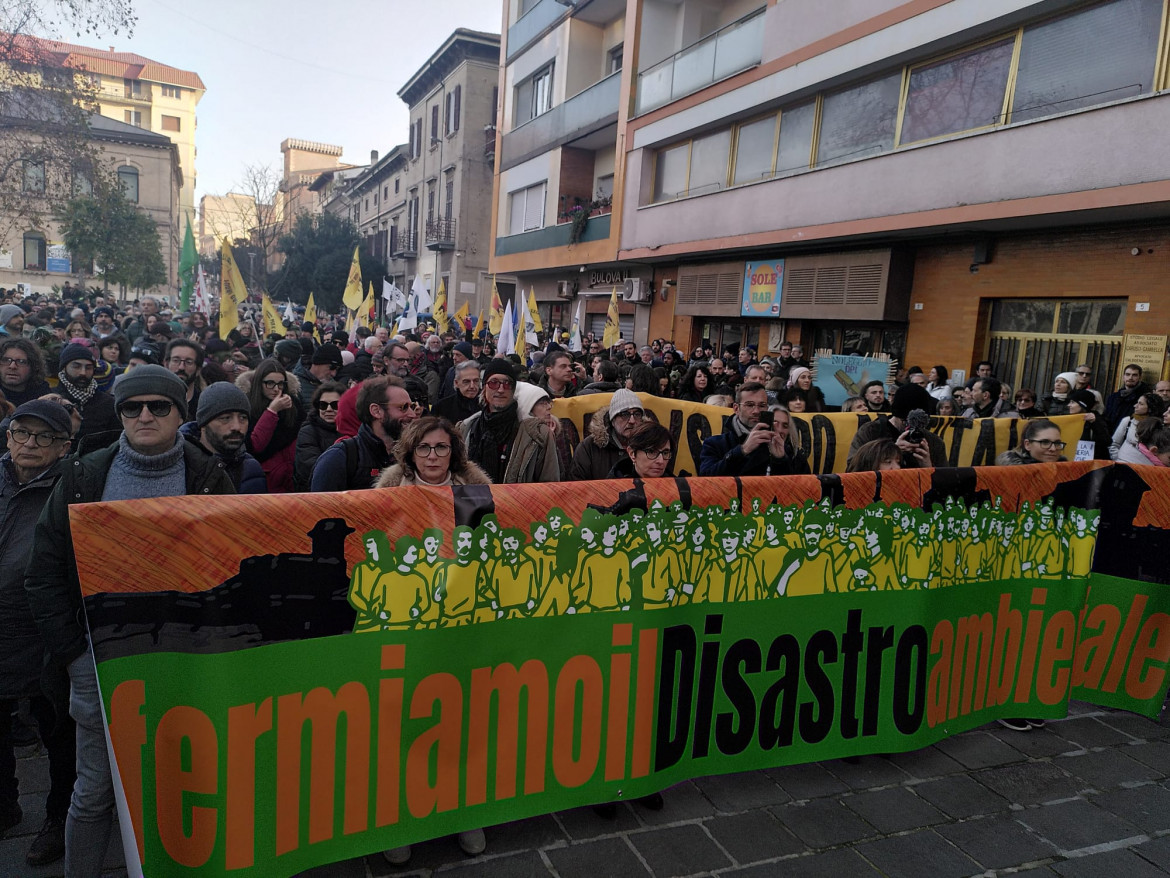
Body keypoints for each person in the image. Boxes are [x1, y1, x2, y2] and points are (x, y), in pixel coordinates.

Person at [25, 366, 234, 876]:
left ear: (180, 414)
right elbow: (44, 572)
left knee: (184, 783)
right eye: (131, 407)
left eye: (158, 407)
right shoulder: (83, 474)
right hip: (100, 666)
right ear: (118, 413)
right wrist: (74, 654)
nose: (144, 415)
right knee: (94, 791)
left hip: (187, 664)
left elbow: (233, 564)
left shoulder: (207, 476)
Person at [0, 401, 76, 867]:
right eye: (19, 433)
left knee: (57, 733)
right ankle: (5, 804)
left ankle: (57, 820)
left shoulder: (72, 488)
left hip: (43, 631)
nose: (28, 444)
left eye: (42, 437)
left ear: (63, 447)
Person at [312, 375, 419, 491]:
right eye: (403, 407)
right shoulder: (339, 457)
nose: (412, 414)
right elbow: (321, 507)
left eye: (412, 406)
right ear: (376, 411)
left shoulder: (415, 455)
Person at [459, 359, 559, 484]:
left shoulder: (537, 434)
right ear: (484, 388)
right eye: (494, 383)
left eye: (507, 384)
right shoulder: (466, 428)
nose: (500, 389)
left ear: (513, 390)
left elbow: (550, 484)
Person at [699, 383, 811, 476]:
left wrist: (780, 461)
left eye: (762, 405)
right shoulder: (715, 444)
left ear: (767, 408)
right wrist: (742, 451)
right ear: (736, 408)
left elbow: (803, 488)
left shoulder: (785, 448)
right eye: (750, 405)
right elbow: (705, 480)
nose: (756, 411)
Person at [182, 382, 267, 492]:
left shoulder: (252, 470)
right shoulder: (182, 465)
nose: (236, 426)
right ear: (203, 423)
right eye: (225, 418)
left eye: (243, 418)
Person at [239, 359, 305, 493]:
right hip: (264, 479)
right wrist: (272, 411)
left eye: (280, 384)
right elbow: (256, 445)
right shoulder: (247, 405)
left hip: (291, 478)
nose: (276, 389)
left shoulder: (294, 404)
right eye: (270, 383)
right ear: (259, 383)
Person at [847, 383, 947, 469]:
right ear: (896, 415)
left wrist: (928, 467)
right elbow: (852, 468)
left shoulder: (933, 442)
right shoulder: (870, 431)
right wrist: (891, 452)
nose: (912, 428)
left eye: (919, 424)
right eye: (906, 422)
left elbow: (944, 483)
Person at [375, 416, 490, 488]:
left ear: (452, 452)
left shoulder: (476, 489)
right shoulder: (390, 490)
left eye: (441, 447)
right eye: (423, 447)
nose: (432, 456)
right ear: (411, 454)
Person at [54, 344, 121, 450]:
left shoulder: (108, 403)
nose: (83, 373)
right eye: (76, 366)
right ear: (64, 367)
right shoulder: (52, 399)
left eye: (88, 368)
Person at [569, 388, 645, 480]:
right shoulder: (588, 448)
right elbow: (577, 487)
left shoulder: (652, 445)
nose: (632, 421)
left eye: (637, 414)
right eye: (625, 414)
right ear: (612, 420)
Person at [294, 381, 345, 491]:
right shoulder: (308, 431)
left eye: (335, 405)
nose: (329, 409)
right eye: (323, 405)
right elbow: (310, 466)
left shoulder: (352, 429)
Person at [1110, 392, 1166, 464]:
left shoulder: (1159, 425)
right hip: (1124, 464)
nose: (1135, 406)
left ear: (1150, 408)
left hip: (1147, 469)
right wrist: (1118, 460)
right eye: (1137, 402)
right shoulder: (1128, 421)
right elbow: (1114, 444)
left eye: (1141, 404)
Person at [609, 420, 674, 479]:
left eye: (665, 453)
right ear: (632, 453)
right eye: (651, 452)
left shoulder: (679, 488)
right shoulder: (611, 489)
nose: (661, 461)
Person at [995, 418, 1067, 466]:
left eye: (1057, 443)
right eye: (1045, 442)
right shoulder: (1009, 467)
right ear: (1027, 444)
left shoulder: (1067, 469)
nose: (1053, 449)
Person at [292, 343, 342, 411]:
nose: (334, 374)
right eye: (332, 367)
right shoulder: (294, 384)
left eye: (337, 369)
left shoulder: (334, 385)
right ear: (318, 363)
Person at [0, 338, 50, 406]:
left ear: (33, 366)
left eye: (21, 362)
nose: (12, 366)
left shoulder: (45, 398)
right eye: (6, 360)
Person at [1104, 363, 1151, 432]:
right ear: (1123, 376)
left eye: (1134, 375)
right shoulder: (1113, 397)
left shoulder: (1144, 398)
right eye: (1127, 374)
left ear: (1140, 377)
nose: (1130, 378)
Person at [164, 338, 205, 418]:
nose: (181, 367)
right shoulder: (154, 400)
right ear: (166, 364)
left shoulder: (204, 405)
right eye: (176, 360)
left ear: (198, 370)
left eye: (188, 362)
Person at [1066, 389, 1111, 460]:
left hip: (1095, 463)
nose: (1069, 405)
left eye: (1073, 402)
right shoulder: (1068, 419)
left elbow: (1107, 441)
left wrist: (1095, 423)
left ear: (1082, 405)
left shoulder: (1097, 419)